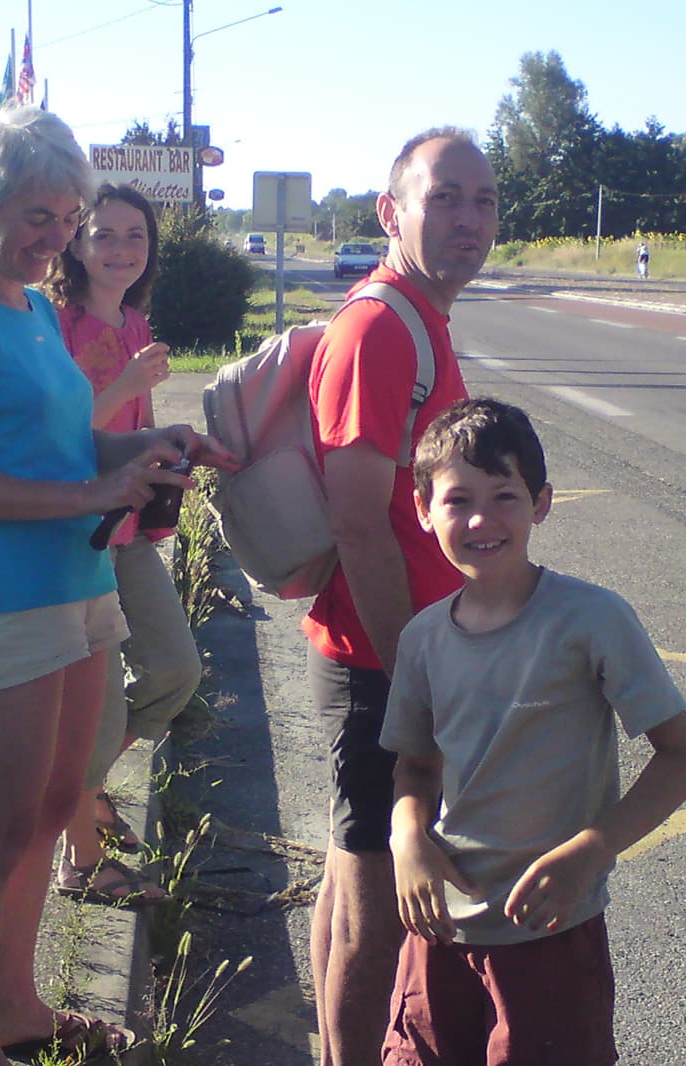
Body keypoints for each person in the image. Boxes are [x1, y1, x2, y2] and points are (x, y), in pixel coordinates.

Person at [0, 105, 232, 1066]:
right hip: (2, 597)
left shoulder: (36, 309)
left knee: (51, 810)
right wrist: (96, 486)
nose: (59, 238)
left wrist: (154, 446)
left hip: (81, 581)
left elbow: (72, 441)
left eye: (68, 216)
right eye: (37, 217)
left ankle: (22, 1009)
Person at [380, 397, 686, 1066]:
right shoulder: (423, 639)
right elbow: (417, 768)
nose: (482, 519)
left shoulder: (592, 621)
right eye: (458, 499)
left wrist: (592, 849)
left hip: (547, 932)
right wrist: (406, 837)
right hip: (437, 932)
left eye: (505, 496)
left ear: (542, 502)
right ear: (424, 509)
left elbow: (678, 753)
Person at [303, 128, 499, 1065]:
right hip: (380, 662)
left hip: (391, 656)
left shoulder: (420, 316)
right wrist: (414, 675)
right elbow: (356, 520)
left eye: (485, 201)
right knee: (376, 914)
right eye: (445, 198)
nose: (469, 219)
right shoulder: (381, 327)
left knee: (354, 890)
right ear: (393, 211)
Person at [42, 182, 202, 904]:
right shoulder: (57, 324)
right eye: (104, 235)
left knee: (176, 670)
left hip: (133, 530)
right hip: (80, 534)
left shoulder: (135, 322)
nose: (120, 250)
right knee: (97, 712)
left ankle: (90, 789)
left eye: (134, 236)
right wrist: (131, 381)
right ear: (77, 244)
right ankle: (80, 857)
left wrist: (176, 450)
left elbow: (130, 430)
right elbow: (59, 435)